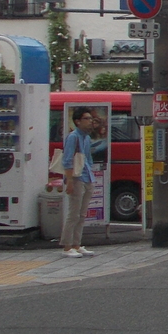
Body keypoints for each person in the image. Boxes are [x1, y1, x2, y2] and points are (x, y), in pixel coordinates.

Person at [60, 106, 98, 258]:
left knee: (82, 214)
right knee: (73, 214)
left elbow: (88, 159)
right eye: (86, 119)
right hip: (76, 178)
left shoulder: (87, 138)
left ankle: (77, 244)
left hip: (87, 176)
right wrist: (69, 181)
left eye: (90, 119)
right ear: (77, 121)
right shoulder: (73, 137)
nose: (90, 122)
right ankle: (67, 246)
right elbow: (67, 160)